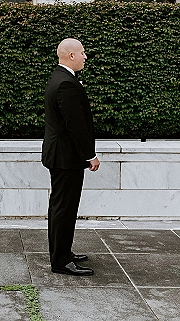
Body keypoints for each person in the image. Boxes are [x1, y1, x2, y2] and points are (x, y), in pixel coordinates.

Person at [41, 38, 100, 276]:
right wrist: (90, 156)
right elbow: (75, 126)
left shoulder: (59, 77)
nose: (86, 56)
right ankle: (61, 261)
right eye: (83, 53)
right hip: (66, 158)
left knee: (60, 207)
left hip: (61, 156)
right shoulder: (66, 83)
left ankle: (62, 253)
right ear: (71, 56)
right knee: (64, 209)